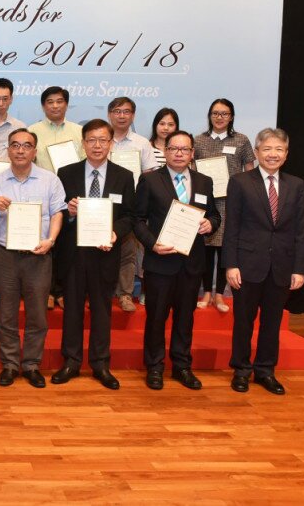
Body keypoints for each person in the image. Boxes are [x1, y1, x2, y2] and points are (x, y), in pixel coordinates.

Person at [51, 119, 136, 389]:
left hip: (105, 254)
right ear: (83, 143)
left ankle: (101, 364)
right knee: (72, 309)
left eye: (103, 140)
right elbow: (57, 213)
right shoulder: (66, 173)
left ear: (111, 143)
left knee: (102, 311)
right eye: (91, 140)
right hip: (74, 255)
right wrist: (70, 212)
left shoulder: (124, 176)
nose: (97, 145)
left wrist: (115, 233)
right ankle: (71, 362)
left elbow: (130, 217)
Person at [224, 128, 304, 395]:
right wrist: (231, 264)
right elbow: (232, 226)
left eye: (279, 150)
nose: (273, 154)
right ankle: (241, 370)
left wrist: (300, 268)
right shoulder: (240, 181)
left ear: (286, 154)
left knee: (272, 323)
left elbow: (301, 229)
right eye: (268, 149)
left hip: (282, 266)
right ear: (258, 152)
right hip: (247, 264)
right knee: (243, 322)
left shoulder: (296, 185)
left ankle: (265, 371)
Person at [134, 130, 220, 391]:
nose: (180, 153)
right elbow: (137, 220)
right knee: (156, 318)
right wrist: (152, 244)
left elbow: (215, 216)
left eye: (185, 149)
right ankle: (155, 367)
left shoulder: (204, 181)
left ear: (192, 153)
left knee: (185, 318)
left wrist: (210, 224)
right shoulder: (150, 180)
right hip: (160, 263)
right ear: (166, 152)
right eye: (174, 148)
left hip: (191, 264)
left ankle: (182, 366)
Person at [0, 129, 66, 388]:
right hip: (5, 256)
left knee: (37, 314)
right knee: (6, 314)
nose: (20, 150)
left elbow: (57, 214)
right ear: (8, 150)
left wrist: (50, 240)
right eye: (15, 145)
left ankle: (30, 365)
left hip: (38, 256)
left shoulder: (50, 180)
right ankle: (9, 364)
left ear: (34, 151)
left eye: (26, 146)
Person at [194, 99, 256, 313]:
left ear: (231, 116)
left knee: (224, 248)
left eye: (224, 113)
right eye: (215, 113)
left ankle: (219, 293)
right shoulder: (199, 140)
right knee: (205, 248)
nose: (219, 117)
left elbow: (249, 170)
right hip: (205, 202)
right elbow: (192, 170)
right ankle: (206, 293)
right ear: (209, 116)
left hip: (232, 202)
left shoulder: (241, 140)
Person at [29, 86, 83, 310]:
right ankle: (48, 290)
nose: (55, 106)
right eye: (50, 102)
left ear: (66, 104)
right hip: (42, 192)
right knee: (46, 243)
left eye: (59, 101)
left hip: (71, 192)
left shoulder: (79, 131)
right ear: (43, 105)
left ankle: (62, 289)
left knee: (66, 245)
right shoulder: (32, 131)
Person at [107, 96, 159, 313]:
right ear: (109, 114)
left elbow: (149, 175)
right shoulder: (101, 139)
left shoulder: (141, 143)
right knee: (98, 250)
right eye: (117, 111)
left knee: (127, 251)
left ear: (133, 115)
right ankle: (100, 291)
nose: (121, 115)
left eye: (126, 111)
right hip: (99, 203)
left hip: (130, 205)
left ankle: (125, 293)